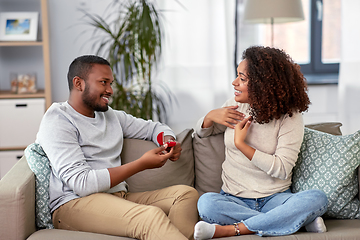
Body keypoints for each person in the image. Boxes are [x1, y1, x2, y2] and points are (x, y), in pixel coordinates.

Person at [35, 55, 199, 240]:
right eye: (103, 82)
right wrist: (141, 164)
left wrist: (167, 141)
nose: (110, 90)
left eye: (110, 83)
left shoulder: (111, 117)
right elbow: (81, 184)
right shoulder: (58, 119)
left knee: (185, 194)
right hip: (73, 204)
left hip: (117, 197)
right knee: (149, 217)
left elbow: (153, 128)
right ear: (78, 83)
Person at [193, 46, 328, 239]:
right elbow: (202, 133)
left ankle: (233, 229)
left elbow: (282, 168)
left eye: (242, 78)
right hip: (233, 199)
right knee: (206, 203)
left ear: (262, 84)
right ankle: (291, 221)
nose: (234, 82)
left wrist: (243, 146)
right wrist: (209, 117)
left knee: (317, 198)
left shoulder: (289, 117)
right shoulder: (236, 105)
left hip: (276, 198)